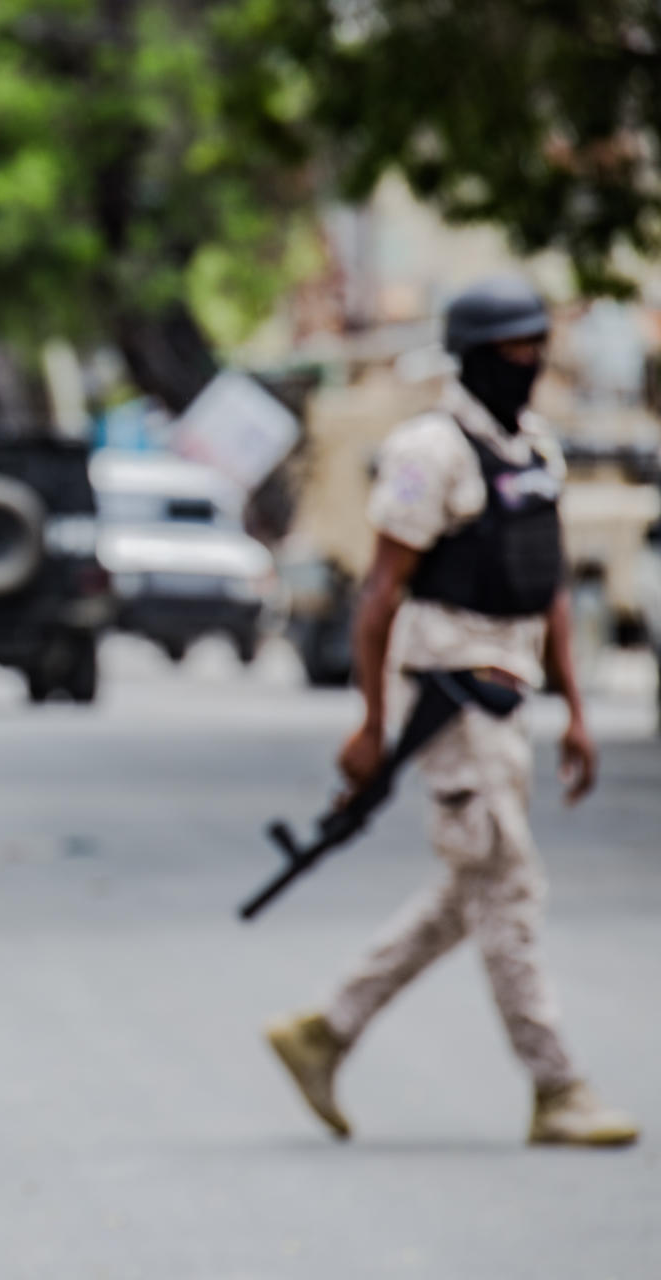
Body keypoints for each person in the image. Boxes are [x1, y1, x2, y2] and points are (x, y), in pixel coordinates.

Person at [265, 275, 638, 1147]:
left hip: (510, 695)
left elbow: (544, 588)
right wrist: (369, 723)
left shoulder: (535, 450)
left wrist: (576, 712)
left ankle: (326, 1031)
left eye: (534, 346)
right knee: (507, 882)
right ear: (474, 357)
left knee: (473, 882)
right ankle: (558, 1087)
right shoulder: (428, 451)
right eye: (511, 349)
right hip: (448, 696)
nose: (529, 362)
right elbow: (380, 596)